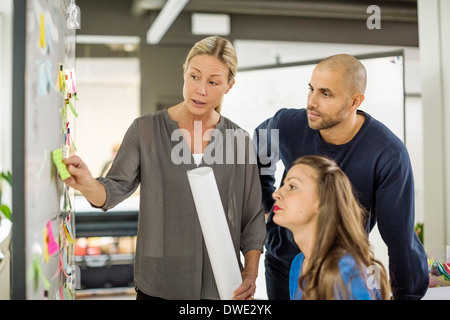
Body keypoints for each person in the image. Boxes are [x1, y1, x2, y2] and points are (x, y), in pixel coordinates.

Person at [62, 36, 266, 300]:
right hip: (159, 286)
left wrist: (250, 274)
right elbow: (114, 190)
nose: (200, 90)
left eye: (213, 82)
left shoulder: (238, 140)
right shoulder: (145, 130)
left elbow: (252, 216)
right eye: (194, 76)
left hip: (223, 288)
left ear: (229, 86)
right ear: (184, 72)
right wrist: (88, 184)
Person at [254, 54, 429, 300]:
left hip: (338, 271)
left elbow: (400, 241)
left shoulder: (387, 154)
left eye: (326, 94)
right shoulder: (287, 124)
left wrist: (407, 296)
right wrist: (267, 206)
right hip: (285, 262)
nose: (311, 102)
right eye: (311, 89)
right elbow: (258, 150)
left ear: (354, 101)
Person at [272, 155, 390, 300]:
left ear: (322, 201)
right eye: (283, 185)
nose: (276, 193)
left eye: (292, 186)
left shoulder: (348, 272)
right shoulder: (298, 264)